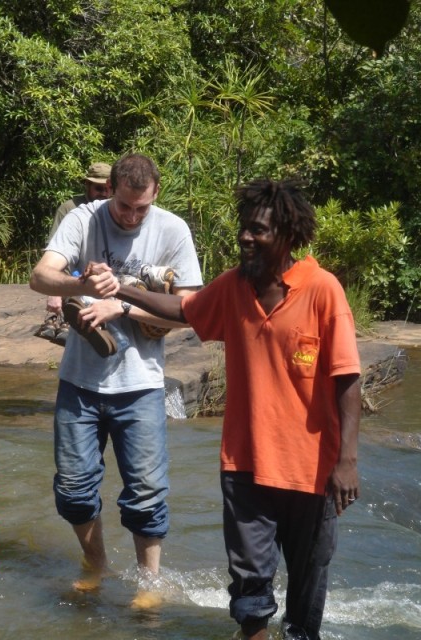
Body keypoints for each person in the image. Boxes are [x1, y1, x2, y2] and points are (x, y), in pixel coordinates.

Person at [103, 178, 361, 639]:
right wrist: (123, 291)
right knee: (249, 592)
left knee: (307, 593)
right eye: (244, 228)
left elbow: (347, 378)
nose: (245, 237)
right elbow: (184, 308)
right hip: (244, 465)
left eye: (257, 230)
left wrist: (347, 462)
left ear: (286, 235)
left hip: (312, 470)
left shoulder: (323, 291)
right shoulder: (233, 287)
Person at [29, 153, 203, 601]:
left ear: (155, 193)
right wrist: (84, 285)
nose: (131, 216)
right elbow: (41, 277)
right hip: (79, 381)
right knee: (72, 490)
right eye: (123, 206)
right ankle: (96, 563)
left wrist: (123, 304)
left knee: (145, 494)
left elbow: (191, 312)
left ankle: (149, 583)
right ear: (111, 192)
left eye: (140, 208)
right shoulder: (85, 219)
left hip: (141, 383)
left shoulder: (173, 230)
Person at [35, 161, 112, 345]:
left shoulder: (115, 209)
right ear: (87, 185)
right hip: (73, 273)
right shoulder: (70, 208)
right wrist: (54, 291)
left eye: (107, 189)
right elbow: (55, 251)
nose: (103, 194)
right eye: (98, 188)